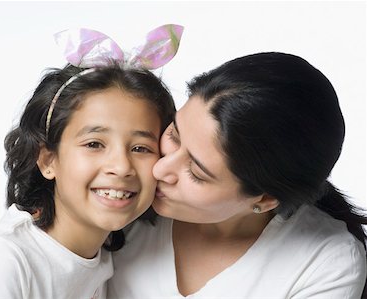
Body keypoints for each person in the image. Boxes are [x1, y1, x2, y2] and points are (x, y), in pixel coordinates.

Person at [108, 52, 367, 298]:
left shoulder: (325, 262)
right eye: (174, 135)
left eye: (196, 173)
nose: (159, 169)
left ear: (264, 199)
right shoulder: (120, 193)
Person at [0, 63, 176, 298]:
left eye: (141, 148)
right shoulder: (2, 262)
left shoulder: (114, 256)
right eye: (94, 144)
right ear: (47, 160)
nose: (122, 167)